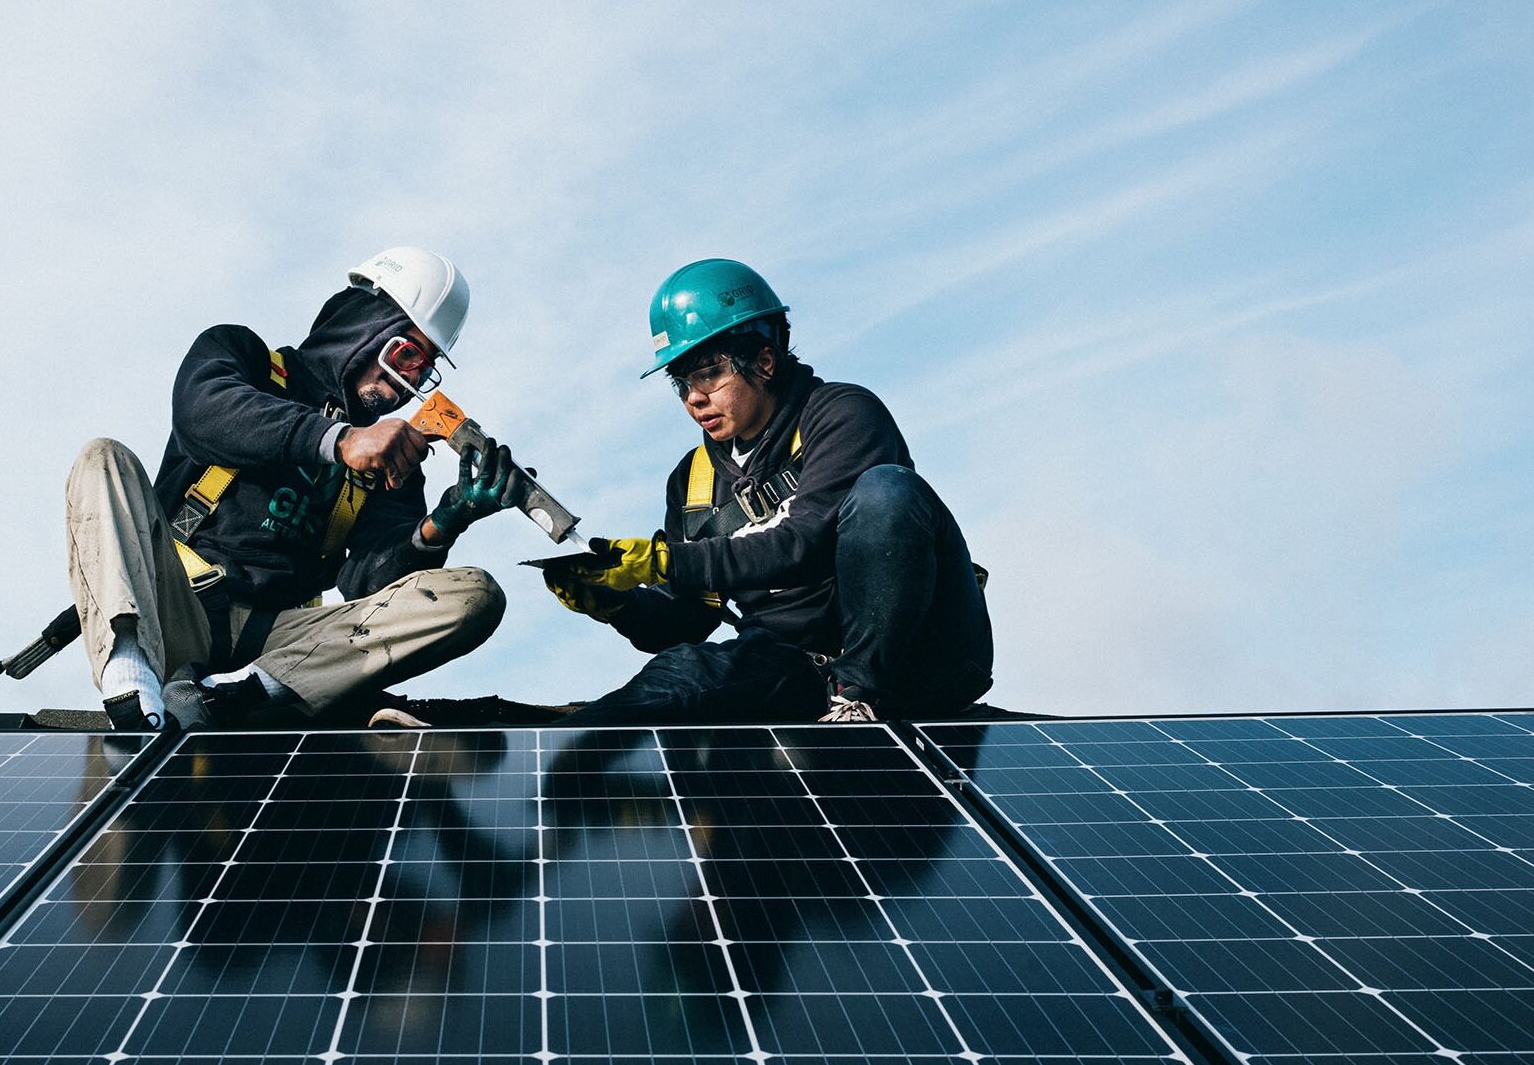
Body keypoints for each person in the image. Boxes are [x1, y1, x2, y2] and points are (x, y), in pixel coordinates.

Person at [67, 247, 512, 733]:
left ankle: (239, 697)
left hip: (281, 643)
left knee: (473, 595)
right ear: (363, 327)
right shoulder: (246, 359)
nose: (408, 383)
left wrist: (439, 526)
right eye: (407, 354)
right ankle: (130, 681)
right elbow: (203, 414)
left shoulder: (389, 461)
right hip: (175, 610)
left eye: (423, 371)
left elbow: (369, 588)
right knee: (102, 458)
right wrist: (339, 441)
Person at [544, 258, 992, 729]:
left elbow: (802, 542)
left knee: (888, 491)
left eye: (708, 373)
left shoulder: (843, 415)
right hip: (798, 664)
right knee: (659, 691)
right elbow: (692, 618)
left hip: (921, 659)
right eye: (681, 382)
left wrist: (667, 561)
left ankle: (861, 694)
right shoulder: (692, 482)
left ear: (764, 359)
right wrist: (621, 604)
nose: (693, 397)